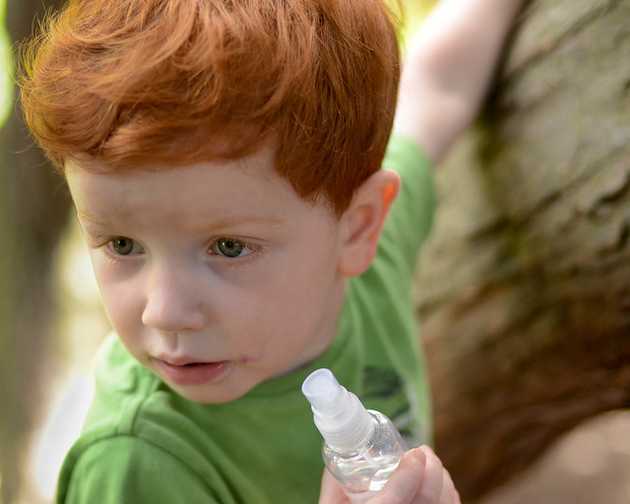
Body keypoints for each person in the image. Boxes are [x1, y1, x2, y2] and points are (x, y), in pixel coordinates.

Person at [18, 0, 524, 502]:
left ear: (357, 228)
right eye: (122, 244)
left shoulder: (364, 257)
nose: (165, 312)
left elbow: (435, 87)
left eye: (228, 247)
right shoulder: (139, 465)